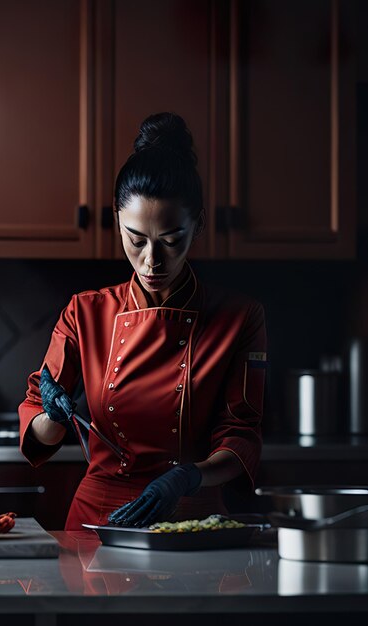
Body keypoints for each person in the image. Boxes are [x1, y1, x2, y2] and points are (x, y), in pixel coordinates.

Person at [18, 112, 267, 530]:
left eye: (171, 241)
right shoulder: (85, 312)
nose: (152, 261)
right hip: (97, 522)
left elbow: (241, 436)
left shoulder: (239, 318)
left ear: (199, 226)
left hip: (192, 520)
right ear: (117, 221)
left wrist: (189, 476)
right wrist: (51, 416)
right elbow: (40, 433)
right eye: (136, 240)